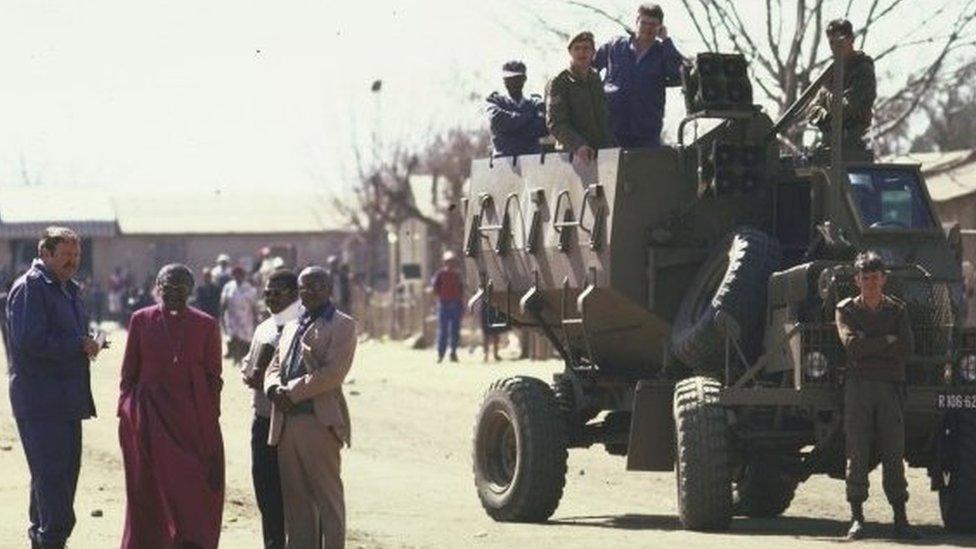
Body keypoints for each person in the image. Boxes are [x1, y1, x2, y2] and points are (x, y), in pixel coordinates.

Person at [118, 264, 224, 548]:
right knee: (148, 484)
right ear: (157, 286)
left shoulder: (206, 324)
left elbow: (215, 377)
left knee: (190, 482)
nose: (173, 292)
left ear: (191, 290)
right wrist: (127, 409)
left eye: (181, 287)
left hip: (190, 415)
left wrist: (209, 416)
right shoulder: (141, 319)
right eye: (167, 286)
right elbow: (129, 372)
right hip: (149, 415)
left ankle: (188, 539)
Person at [6, 226, 100, 549]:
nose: (72, 261)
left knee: (55, 480)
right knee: (54, 483)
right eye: (66, 255)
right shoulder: (31, 288)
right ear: (45, 253)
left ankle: (42, 539)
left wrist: (88, 344)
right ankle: (51, 541)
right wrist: (78, 344)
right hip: (40, 401)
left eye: (76, 255)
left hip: (67, 400)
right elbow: (30, 341)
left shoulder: (69, 288)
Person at [265, 267, 357, 549]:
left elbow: (332, 374)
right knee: (296, 501)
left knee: (328, 500)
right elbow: (275, 366)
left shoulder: (342, 325)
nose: (310, 291)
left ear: (330, 288)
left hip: (317, 421)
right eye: (304, 286)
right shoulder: (292, 324)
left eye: (317, 285)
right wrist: (271, 388)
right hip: (286, 423)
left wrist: (290, 392)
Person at [835, 251, 919, 540]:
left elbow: (907, 348)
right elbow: (852, 346)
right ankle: (857, 519)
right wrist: (886, 341)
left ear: (884, 279)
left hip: (889, 388)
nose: (870, 283)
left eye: (875, 277)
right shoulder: (846, 310)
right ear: (857, 280)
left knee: (894, 453)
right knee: (857, 451)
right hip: (859, 388)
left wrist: (870, 345)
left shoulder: (896, 310)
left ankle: (901, 520)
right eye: (865, 278)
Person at [241, 269, 302, 549]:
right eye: (266, 293)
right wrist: (249, 371)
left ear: (294, 294)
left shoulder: (304, 325)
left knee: (299, 493)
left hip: (294, 421)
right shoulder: (264, 326)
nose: (270, 298)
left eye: (277, 293)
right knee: (266, 490)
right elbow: (248, 360)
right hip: (263, 418)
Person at [594, 3, 684, 148]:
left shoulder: (662, 53)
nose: (648, 28)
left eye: (653, 24)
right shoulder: (616, 45)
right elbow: (590, 68)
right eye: (644, 22)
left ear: (660, 27)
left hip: (646, 129)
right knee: (611, 169)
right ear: (636, 22)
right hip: (612, 125)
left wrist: (666, 41)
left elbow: (680, 74)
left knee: (643, 169)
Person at [807, 18, 876, 156]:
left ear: (851, 39)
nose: (834, 47)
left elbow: (844, 109)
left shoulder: (862, 70)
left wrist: (827, 93)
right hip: (829, 144)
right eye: (831, 42)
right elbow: (811, 110)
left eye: (839, 42)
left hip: (852, 148)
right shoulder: (832, 70)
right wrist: (826, 116)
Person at [546, 31, 615, 165]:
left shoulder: (595, 78)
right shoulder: (559, 81)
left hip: (599, 153)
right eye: (577, 48)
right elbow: (556, 122)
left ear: (593, 52)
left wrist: (611, 146)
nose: (581, 53)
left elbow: (603, 118)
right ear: (570, 52)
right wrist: (578, 145)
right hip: (571, 155)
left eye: (586, 48)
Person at [486, 60, 548, 156]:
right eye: (509, 79)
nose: (513, 83)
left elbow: (543, 127)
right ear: (504, 80)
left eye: (517, 78)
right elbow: (497, 120)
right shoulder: (495, 101)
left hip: (532, 160)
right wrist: (528, 118)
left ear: (524, 79)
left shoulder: (535, 102)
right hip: (503, 161)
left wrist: (508, 132)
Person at [220, 265, 259, 365]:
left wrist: (256, 319)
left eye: (240, 275)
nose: (238, 277)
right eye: (235, 275)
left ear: (243, 276)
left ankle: (242, 359)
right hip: (232, 317)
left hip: (246, 318)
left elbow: (254, 306)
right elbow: (223, 303)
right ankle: (235, 358)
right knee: (234, 338)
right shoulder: (228, 287)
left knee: (244, 340)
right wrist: (221, 316)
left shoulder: (249, 288)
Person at [430, 251, 464, 363]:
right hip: (444, 304)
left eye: (452, 262)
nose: (450, 264)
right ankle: (441, 354)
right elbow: (435, 289)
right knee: (443, 331)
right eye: (448, 262)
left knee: (454, 331)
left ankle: (453, 352)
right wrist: (440, 299)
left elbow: (461, 291)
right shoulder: (440, 274)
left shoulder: (457, 275)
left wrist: (461, 306)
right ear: (444, 262)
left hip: (455, 304)